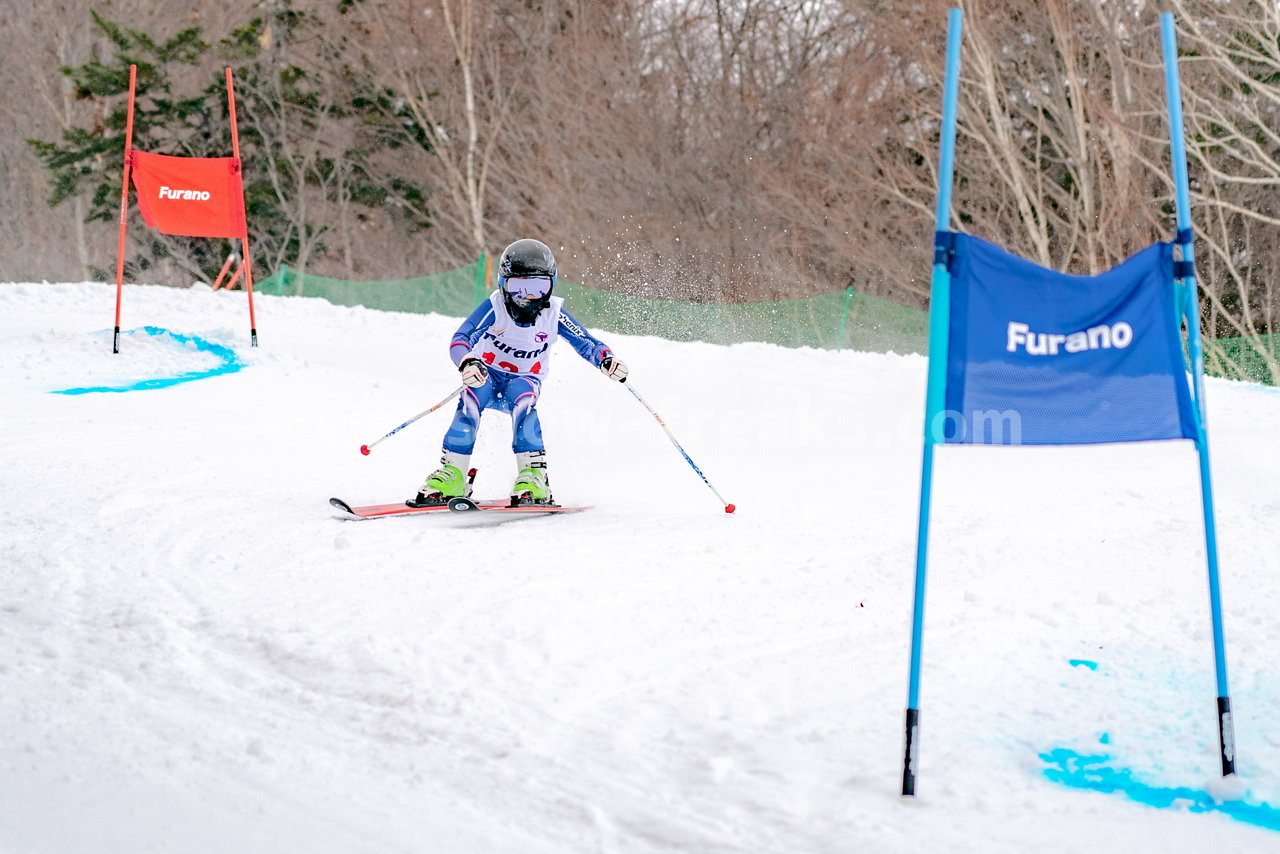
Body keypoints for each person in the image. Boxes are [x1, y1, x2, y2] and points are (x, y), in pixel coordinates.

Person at [410, 238, 628, 507]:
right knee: (471, 398)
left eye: (538, 287)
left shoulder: (554, 313)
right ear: (503, 284)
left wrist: (606, 360)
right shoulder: (495, 307)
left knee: (523, 399)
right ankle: (453, 472)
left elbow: (586, 342)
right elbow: (461, 338)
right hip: (486, 373)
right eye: (518, 287)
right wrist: (467, 362)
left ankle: (533, 475)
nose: (526, 297)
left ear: (551, 285)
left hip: (525, 377)